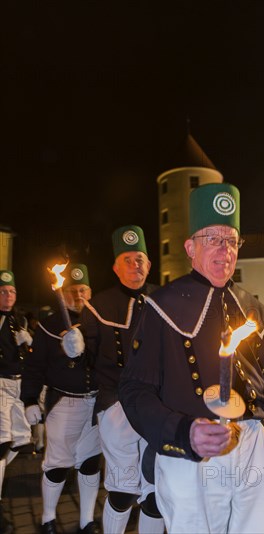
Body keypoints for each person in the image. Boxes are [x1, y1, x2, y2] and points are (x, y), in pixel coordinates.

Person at [119, 183, 264, 534]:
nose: (224, 249)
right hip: (191, 446)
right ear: (190, 248)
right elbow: (135, 391)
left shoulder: (253, 306)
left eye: (231, 240)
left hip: (254, 443)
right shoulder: (161, 305)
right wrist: (182, 432)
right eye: (213, 239)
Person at [75, 226, 165, 534]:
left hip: (159, 405)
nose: (135, 265)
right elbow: (87, 360)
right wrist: (75, 349)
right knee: (124, 489)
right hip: (117, 404)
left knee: (155, 490)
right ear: (116, 267)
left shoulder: (165, 299)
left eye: (139, 259)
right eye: (127, 259)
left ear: (149, 265)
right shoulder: (98, 305)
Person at [20, 263, 102, 534]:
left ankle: (86, 521)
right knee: (57, 463)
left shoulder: (100, 320)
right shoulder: (49, 325)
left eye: (83, 290)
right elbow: (34, 366)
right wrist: (30, 399)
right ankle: (48, 518)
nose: (78, 296)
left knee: (90, 463)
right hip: (64, 403)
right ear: (63, 293)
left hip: (95, 403)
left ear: (90, 292)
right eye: (72, 291)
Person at [0, 270, 33, 534]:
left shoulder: (18, 320)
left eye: (11, 291)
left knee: (22, 440)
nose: (8, 295)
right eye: (2, 291)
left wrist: (28, 342)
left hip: (18, 385)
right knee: (2, 442)